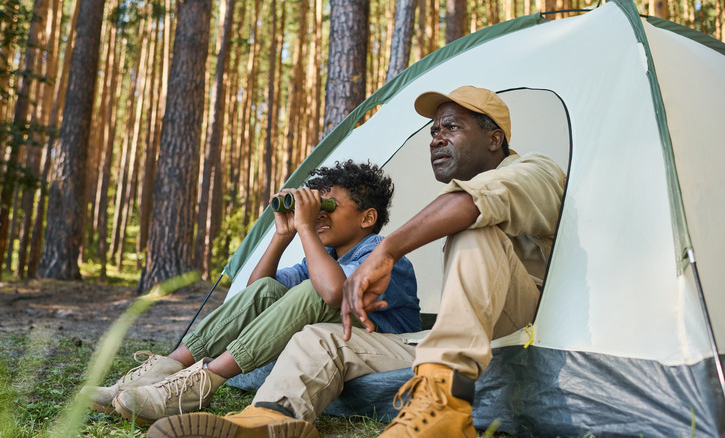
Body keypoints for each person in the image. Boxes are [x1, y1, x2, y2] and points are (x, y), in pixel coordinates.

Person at [145, 85, 566, 438]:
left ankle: (444, 405)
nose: (435, 138)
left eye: (451, 128)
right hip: (449, 335)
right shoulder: (344, 246)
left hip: (524, 327)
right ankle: (270, 417)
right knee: (318, 336)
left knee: (474, 224)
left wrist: (385, 250)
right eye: (433, 131)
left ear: (495, 139)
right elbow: (266, 288)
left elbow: (472, 204)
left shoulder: (534, 170)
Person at [81, 160, 420, 425]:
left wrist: (305, 227)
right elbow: (258, 291)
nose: (318, 214)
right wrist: (282, 235)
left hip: (385, 346)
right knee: (272, 288)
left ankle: (200, 384)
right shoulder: (325, 258)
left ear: (367, 218)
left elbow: (332, 293)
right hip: (340, 336)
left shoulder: (384, 254)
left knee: (311, 291)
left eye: (328, 206)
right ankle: (167, 370)